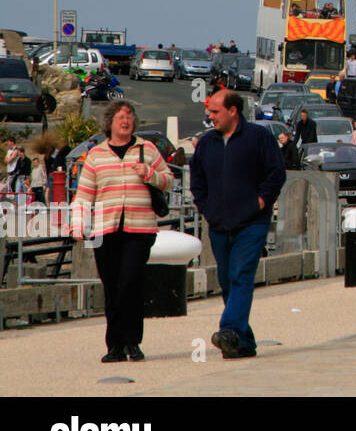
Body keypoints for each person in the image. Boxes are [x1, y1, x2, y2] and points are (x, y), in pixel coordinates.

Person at [69, 99, 172, 363]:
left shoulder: (146, 149)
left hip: (140, 230)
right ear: (110, 123)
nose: (125, 121)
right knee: (112, 287)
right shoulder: (96, 155)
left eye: (129, 116)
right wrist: (77, 225)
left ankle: (132, 342)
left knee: (130, 284)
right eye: (120, 117)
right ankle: (114, 345)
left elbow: (168, 180)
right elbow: (84, 195)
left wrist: (149, 173)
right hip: (106, 229)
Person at [190, 89, 286, 360]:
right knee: (227, 280)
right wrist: (205, 207)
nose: (210, 117)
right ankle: (242, 343)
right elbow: (197, 180)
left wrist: (260, 201)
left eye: (215, 112)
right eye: (209, 112)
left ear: (233, 111)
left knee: (241, 274)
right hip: (219, 223)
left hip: (252, 222)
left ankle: (229, 329)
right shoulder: (207, 143)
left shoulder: (259, 137)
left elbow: (276, 172)